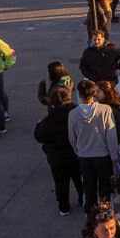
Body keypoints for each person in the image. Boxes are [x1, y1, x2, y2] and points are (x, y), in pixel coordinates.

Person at [68, 81, 119, 212]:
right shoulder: (105, 110)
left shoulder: (73, 114)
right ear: (94, 93)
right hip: (103, 156)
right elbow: (111, 135)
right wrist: (114, 156)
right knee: (105, 188)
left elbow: (72, 138)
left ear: (79, 94)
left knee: (89, 188)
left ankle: (90, 215)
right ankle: (106, 213)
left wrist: (78, 151)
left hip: (84, 157)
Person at [34, 88, 84, 216]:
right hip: (77, 154)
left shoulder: (49, 120)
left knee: (60, 182)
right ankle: (83, 199)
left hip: (57, 157)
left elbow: (39, 136)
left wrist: (38, 125)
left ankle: (64, 206)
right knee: (80, 179)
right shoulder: (78, 113)